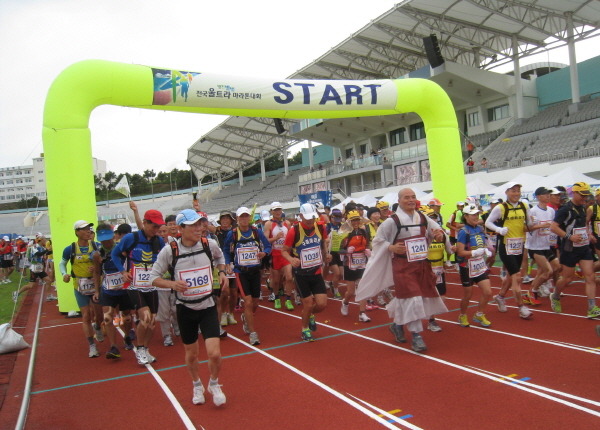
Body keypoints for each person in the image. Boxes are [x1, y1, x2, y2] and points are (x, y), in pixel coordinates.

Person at [150, 209, 227, 406]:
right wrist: (172, 284)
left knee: (215, 353)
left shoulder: (209, 244)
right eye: (193, 225)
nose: (199, 228)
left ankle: (214, 383)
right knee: (192, 354)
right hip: (185, 309)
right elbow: (154, 278)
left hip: (208, 305)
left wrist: (222, 272)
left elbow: (220, 258)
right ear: (181, 228)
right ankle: (196, 385)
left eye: (200, 224)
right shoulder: (170, 250)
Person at [356, 188, 448, 352]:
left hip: (421, 265)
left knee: (412, 298)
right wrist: (391, 246)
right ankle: (416, 336)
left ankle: (398, 325)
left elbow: (438, 231)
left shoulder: (423, 218)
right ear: (399, 201)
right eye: (407, 197)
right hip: (402, 266)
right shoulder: (392, 221)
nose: (411, 200)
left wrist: (439, 235)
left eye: (413, 197)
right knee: (413, 299)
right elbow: (377, 241)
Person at [112, 210, 166, 365]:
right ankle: (140, 349)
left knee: (153, 320)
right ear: (145, 222)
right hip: (134, 284)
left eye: (158, 226)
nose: (155, 229)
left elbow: (162, 260)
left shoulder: (159, 241)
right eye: (153, 226)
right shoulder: (131, 238)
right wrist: (122, 271)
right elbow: (115, 255)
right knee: (145, 317)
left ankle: (146, 349)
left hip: (151, 284)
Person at [281, 203, 331, 342]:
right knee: (308, 304)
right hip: (301, 274)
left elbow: (323, 243)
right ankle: (305, 329)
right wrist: (291, 259)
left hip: (316, 271)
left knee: (321, 305)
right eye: (307, 218)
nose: (310, 220)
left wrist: (326, 254)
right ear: (301, 216)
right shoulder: (294, 231)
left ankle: (310, 315)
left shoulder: (321, 226)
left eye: (312, 217)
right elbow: (284, 250)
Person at [550, 182, 600, 319]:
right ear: (575, 193)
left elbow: (584, 223)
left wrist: (588, 233)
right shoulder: (564, 209)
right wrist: (569, 236)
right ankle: (555, 296)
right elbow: (553, 227)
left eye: (586, 195)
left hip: (583, 247)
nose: (585, 198)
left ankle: (591, 308)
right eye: (582, 195)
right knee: (567, 279)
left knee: (590, 276)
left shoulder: (584, 207)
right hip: (569, 248)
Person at [484, 182, 534, 319]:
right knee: (517, 277)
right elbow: (488, 222)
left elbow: (528, 223)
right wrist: (499, 230)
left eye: (518, 190)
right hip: (506, 246)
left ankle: (500, 297)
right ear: (507, 192)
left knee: (510, 277)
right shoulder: (501, 208)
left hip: (519, 245)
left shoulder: (524, 206)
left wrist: (534, 223)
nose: (516, 193)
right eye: (513, 191)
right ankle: (521, 307)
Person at [224, 207, 272, 346]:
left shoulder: (257, 232)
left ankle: (246, 316)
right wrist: (228, 263)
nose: (244, 219)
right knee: (248, 302)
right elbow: (226, 250)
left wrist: (265, 253)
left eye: (246, 217)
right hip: (241, 272)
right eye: (241, 217)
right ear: (237, 219)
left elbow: (268, 246)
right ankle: (253, 333)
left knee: (255, 302)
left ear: (249, 218)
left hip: (255, 271)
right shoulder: (233, 234)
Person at [59, 220, 104, 358]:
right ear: (77, 232)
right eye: (84, 229)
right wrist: (64, 274)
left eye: (89, 228)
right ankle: (92, 345)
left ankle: (97, 326)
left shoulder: (97, 246)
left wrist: (97, 267)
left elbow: (104, 261)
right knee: (86, 316)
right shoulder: (70, 249)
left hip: (95, 285)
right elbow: (62, 263)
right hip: (79, 286)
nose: (88, 231)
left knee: (99, 315)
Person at [92, 223, 135, 358]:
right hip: (108, 290)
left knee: (127, 318)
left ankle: (127, 336)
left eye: (109, 238)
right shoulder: (97, 254)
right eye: (103, 239)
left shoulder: (122, 249)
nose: (107, 241)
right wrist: (97, 291)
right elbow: (96, 272)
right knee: (108, 318)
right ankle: (113, 346)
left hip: (124, 290)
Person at [456, 204, 493, 327]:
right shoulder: (463, 231)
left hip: (480, 265)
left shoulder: (480, 229)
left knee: (487, 292)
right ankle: (462, 315)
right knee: (468, 295)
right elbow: (460, 251)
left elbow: (483, 243)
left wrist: (486, 249)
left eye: (477, 214)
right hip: (467, 266)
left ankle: (479, 314)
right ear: (466, 216)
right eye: (473, 214)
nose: (476, 216)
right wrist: (473, 252)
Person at [526, 188, 559, 300]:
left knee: (557, 267)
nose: (548, 196)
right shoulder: (533, 211)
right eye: (545, 194)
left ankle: (535, 287)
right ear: (538, 197)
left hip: (546, 245)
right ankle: (532, 292)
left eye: (548, 194)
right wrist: (541, 226)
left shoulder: (551, 211)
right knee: (548, 271)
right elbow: (527, 228)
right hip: (535, 246)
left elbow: (554, 226)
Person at [339, 210, 371, 322]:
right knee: (351, 291)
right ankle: (345, 302)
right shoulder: (344, 234)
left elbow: (368, 244)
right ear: (349, 222)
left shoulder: (364, 232)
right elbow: (338, 250)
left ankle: (362, 313)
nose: (356, 222)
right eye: (353, 220)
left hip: (362, 263)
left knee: (362, 288)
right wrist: (346, 251)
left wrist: (368, 251)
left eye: (357, 220)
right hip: (349, 264)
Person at [263, 202, 296, 310]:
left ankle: (288, 299)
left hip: (285, 254)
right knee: (276, 280)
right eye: (275, 210)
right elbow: (265, 240)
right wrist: (276, 238)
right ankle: (277, 297)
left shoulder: (287, 223)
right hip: (275, 255)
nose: (278, 212)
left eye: (279, 210)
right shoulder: (268, 224)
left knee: (289, 278)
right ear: (272, 212)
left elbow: (292, 239)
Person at [214, 211, 238, 330]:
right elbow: (203, 224)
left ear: (231, 220)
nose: (224, 220)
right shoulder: (216, 231)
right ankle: (223, 313)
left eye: (227, 218)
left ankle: (230, 313)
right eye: (222, 218)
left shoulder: (235, 231)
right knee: (225, 292)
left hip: (234, 263)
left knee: (234, 293)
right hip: (221, 265)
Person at [326, 208, 344, 299]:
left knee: (340, 274)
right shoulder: (327, 226)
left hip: (340, 252)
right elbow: (324, 239)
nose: (337, 221)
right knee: (336, 273)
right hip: (331, 252)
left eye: (338, 218)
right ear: (331, 217)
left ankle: (333, 284)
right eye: (335, 218)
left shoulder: (342, 226)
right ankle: (336, 291)